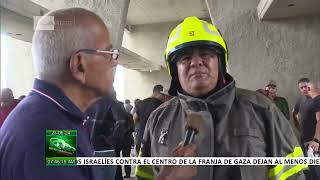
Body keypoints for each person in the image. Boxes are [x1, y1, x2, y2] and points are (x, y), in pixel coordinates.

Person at [136, 16, 306, 180]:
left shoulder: (262, 109)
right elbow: (145, 176)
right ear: (174, 70)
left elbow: (291, 175)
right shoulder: (158, 119)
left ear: (220, 62)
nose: (196, 62)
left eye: (206, 54)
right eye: (185, 58)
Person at [0, 8, 119, 180]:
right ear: (80, 65)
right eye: (109, 54)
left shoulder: (50, 117)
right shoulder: (51, 135)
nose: (115, 62)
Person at [133, 85, 164, 155]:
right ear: (159, 92)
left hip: (141, 139)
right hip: (156, 142)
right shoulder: (162, 105)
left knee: (142, 163)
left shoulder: (141, 103)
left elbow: (135, 118)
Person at [301, 80, 320, 179]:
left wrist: (316, 141)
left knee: (315, 172)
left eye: (305, 87)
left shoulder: (317, 100)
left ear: (309, 89)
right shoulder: (313, 101)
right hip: (310, 141)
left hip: (314, 144)